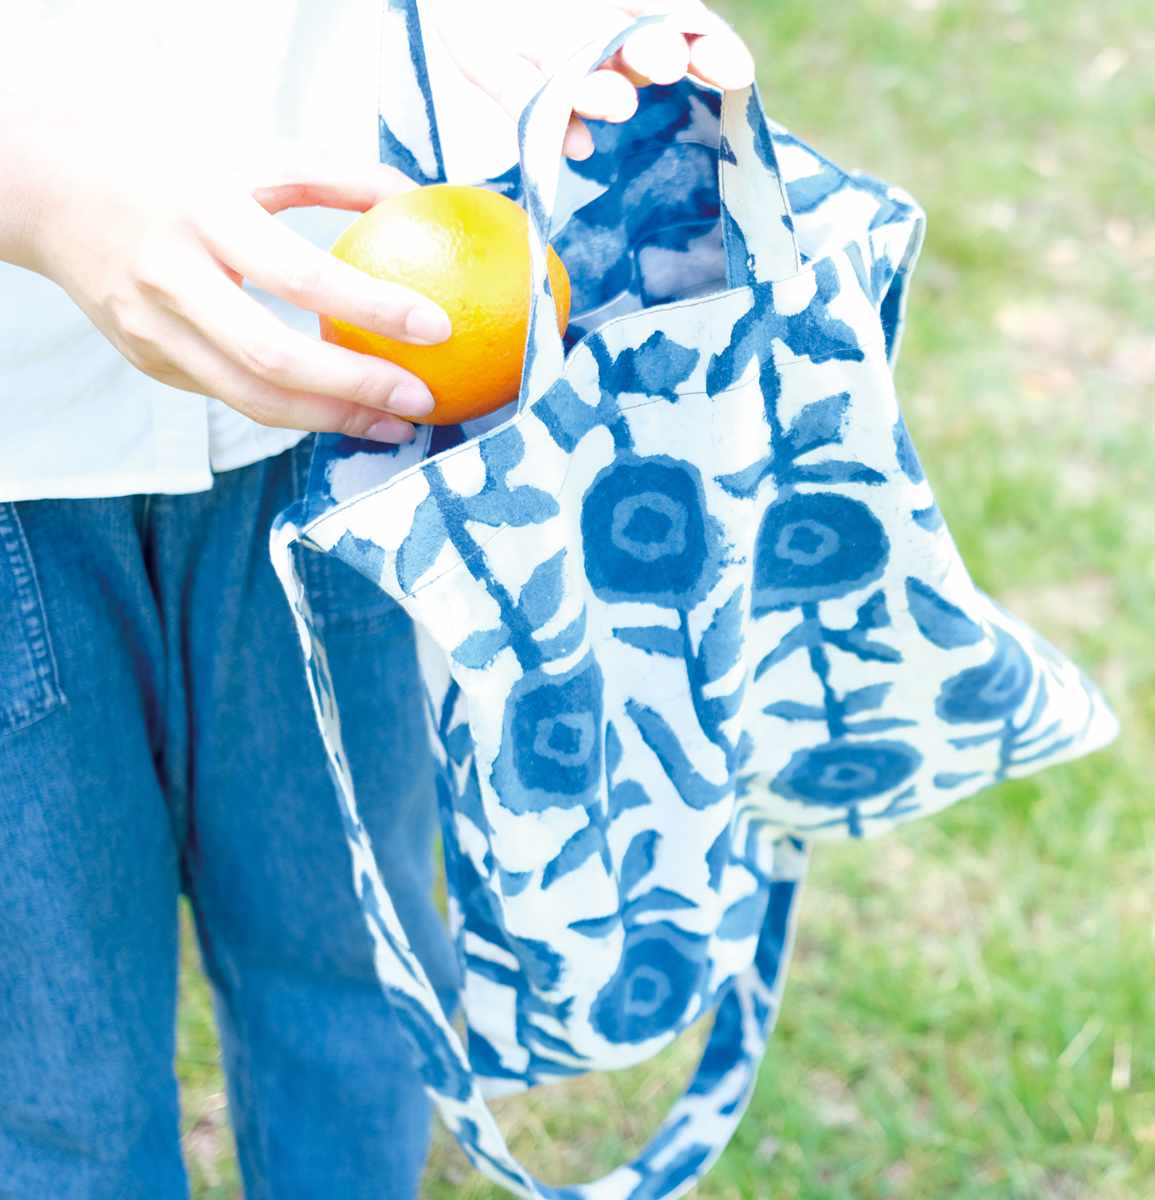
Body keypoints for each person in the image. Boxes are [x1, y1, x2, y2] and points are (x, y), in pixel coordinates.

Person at [0, 2, 754, 1198]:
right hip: (20, 447)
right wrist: (35, 188)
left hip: (337, 413)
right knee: (54, 1059)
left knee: (357, 973)